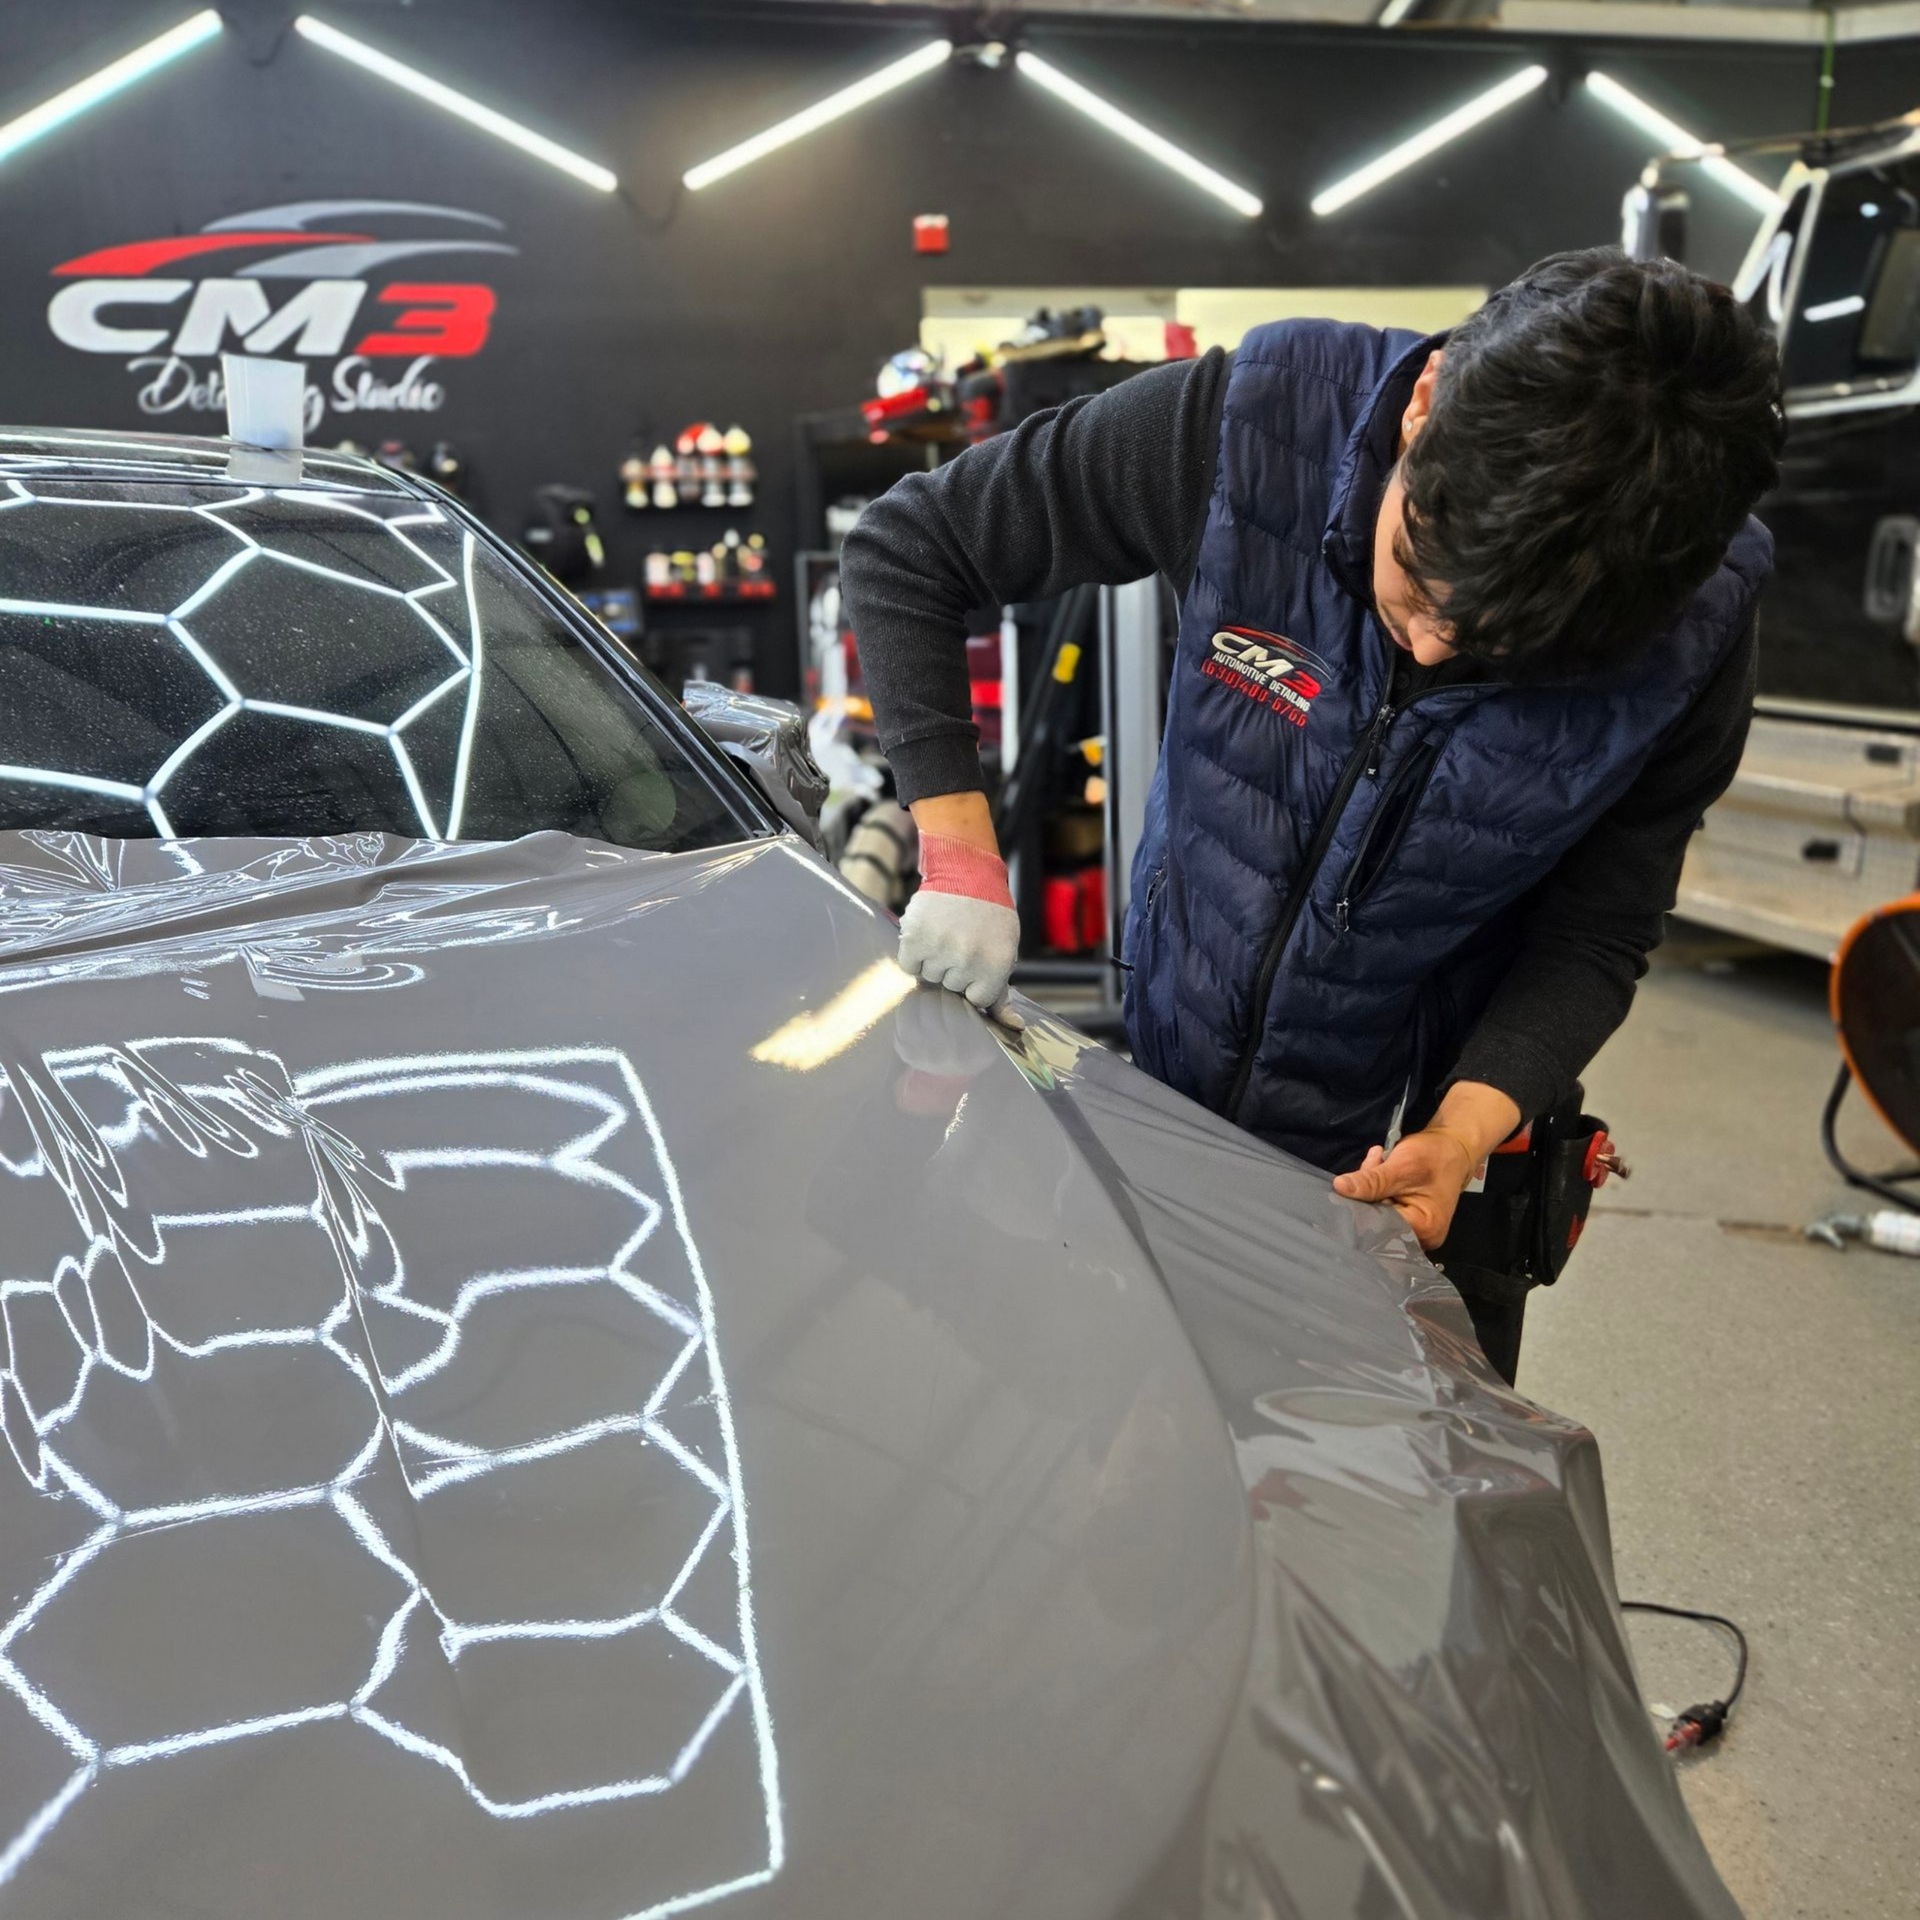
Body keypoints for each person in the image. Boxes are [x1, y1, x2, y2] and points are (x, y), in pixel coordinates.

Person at [841, 249, 1782, 1256]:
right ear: (1424, 405)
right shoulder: (1252, 425)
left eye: (1504, 648)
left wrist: (1462, 1134)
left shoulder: (1696, 628)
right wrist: (960, 852)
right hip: (1167, 1084)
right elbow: (910, 547)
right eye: (1419, 583)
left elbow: (1599, 929)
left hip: (1410, 1150)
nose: (1427, 645)